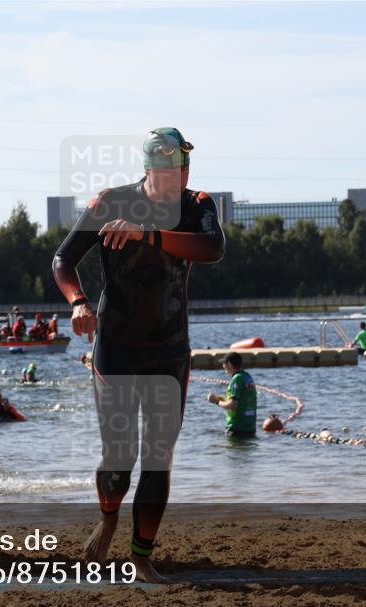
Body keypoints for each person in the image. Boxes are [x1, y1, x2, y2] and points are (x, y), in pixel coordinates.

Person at [52, 127, 224, 583]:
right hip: (116, 346)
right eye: (172, 171)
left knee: (159, 454)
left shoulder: (197, 204)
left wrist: (149, 235)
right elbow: (62, 260)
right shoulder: (111, 202)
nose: (181, 178)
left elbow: (212, 249)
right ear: (150, 169)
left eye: (186, 169)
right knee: (119, 455)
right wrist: (78, 303)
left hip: (170, 348)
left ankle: (141, 557)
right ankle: (108, 518)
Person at [206, 352, 257, 437]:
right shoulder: (247, 377)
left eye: (224, 364)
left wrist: (216, 401)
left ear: (229, 364)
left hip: (237, 428)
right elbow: (242, 401)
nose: (223, 366)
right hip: (250, 428)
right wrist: (223, 400)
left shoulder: (236, 379)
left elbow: (233, 405)